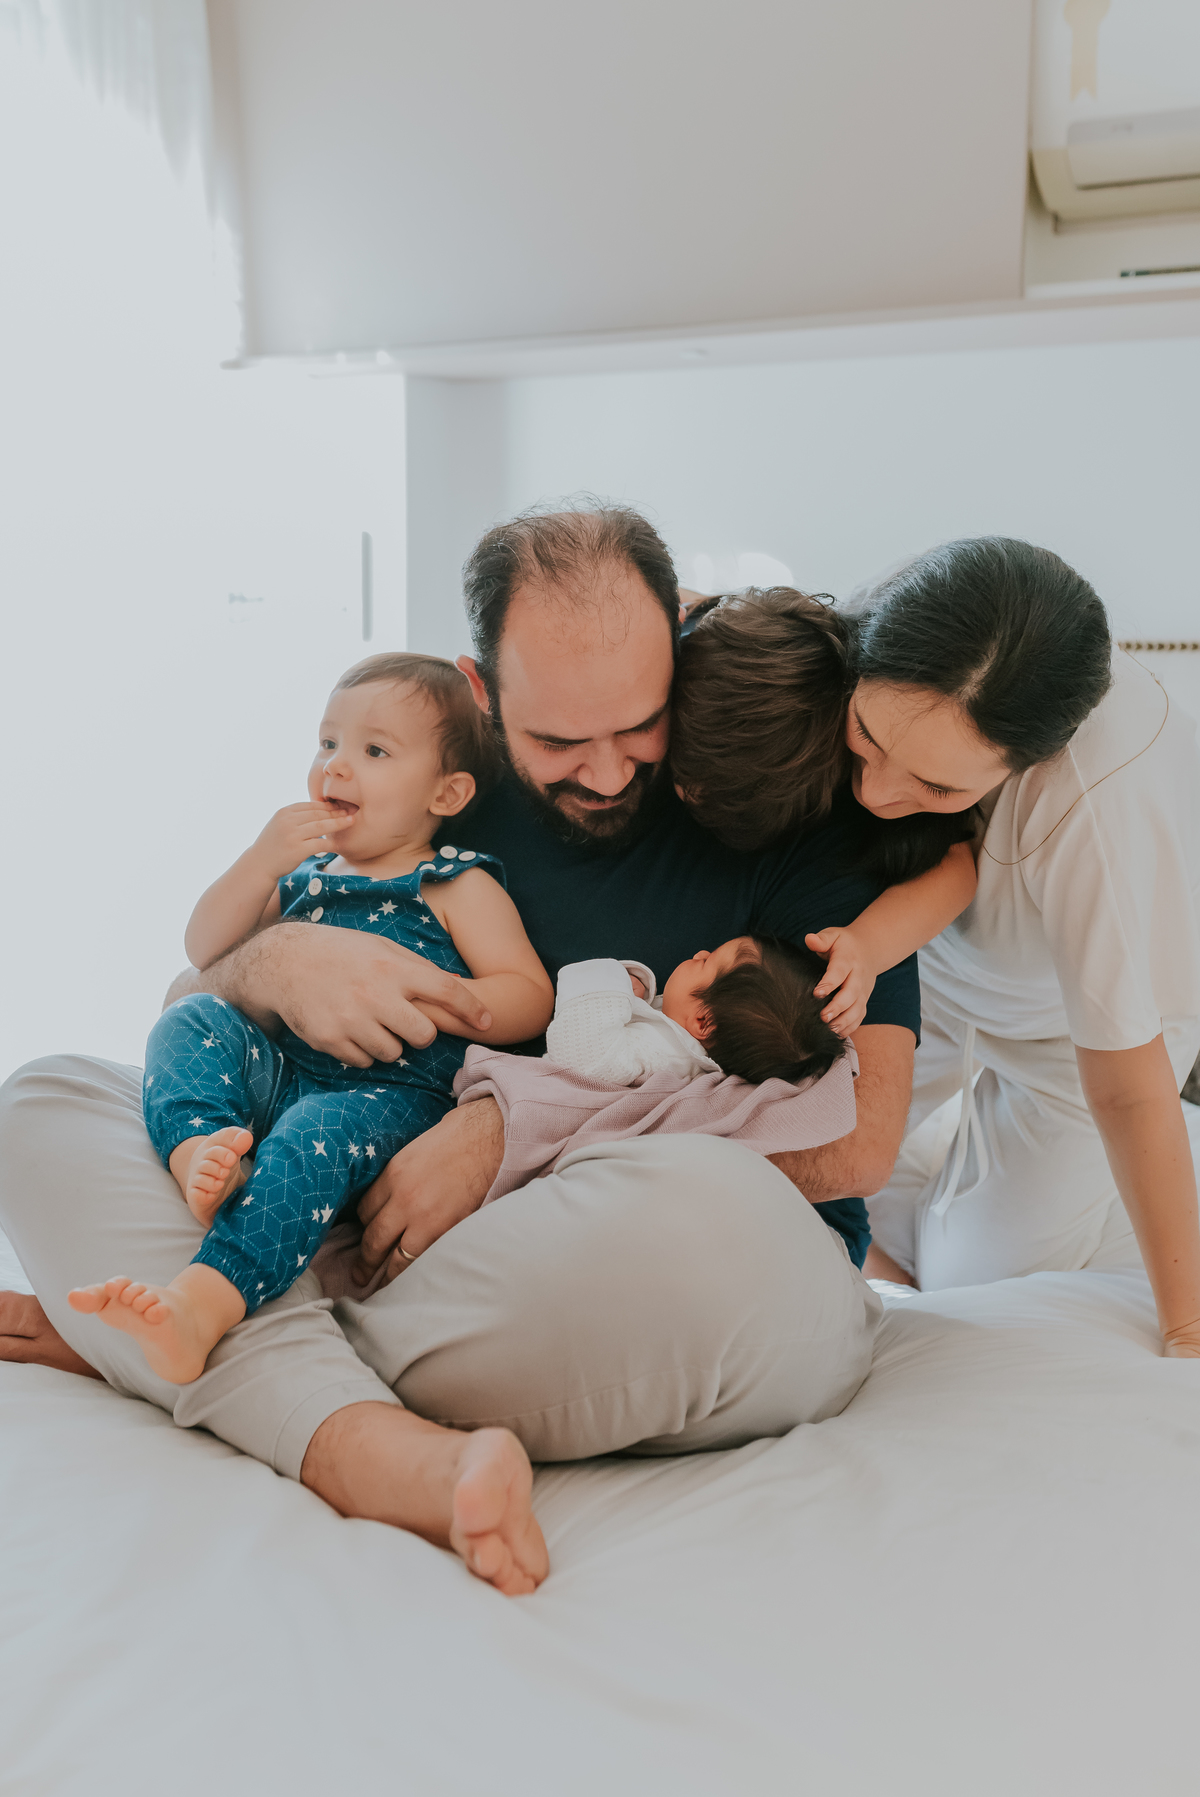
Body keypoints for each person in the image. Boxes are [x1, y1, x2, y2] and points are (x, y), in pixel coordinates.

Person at [0, 504, 923, 1598]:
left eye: (640, 725)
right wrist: (277, 962)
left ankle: (197, 1344)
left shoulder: (773, 787)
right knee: (47, 1098)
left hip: (638, 1252)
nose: (611, 772)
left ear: (677, 638)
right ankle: (348, 1427)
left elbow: (862, 1149)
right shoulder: (436, 781)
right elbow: (200, 990)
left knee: (704, 1224)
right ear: (479, 691)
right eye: (557, 742)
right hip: (408, 1236)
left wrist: (505, 1135)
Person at [676, 544, 1200, 1357]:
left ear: (1030, 765)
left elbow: (1128, 1092)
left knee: (976, 1277)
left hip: (1072, 1033)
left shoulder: (1096, 810)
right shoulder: (878, 634)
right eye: (867, 740)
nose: (877, 796)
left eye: (938, 789)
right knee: (815, 1153)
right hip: (936, 962)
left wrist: (1187, 1326)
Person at [67, 653, 553, 1386]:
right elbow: (204, 948)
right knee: (189, 1016)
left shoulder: (455, 880)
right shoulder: (305, 874)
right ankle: (202, 1148)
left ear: (447, 792)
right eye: (327, 743)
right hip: (283, 1072)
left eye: (374, 750)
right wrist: (260, 862)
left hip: (387, 1101)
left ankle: (202, 1302)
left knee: (309, 1137)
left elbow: (530, 994)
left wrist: (467, 1004)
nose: (336, 767)